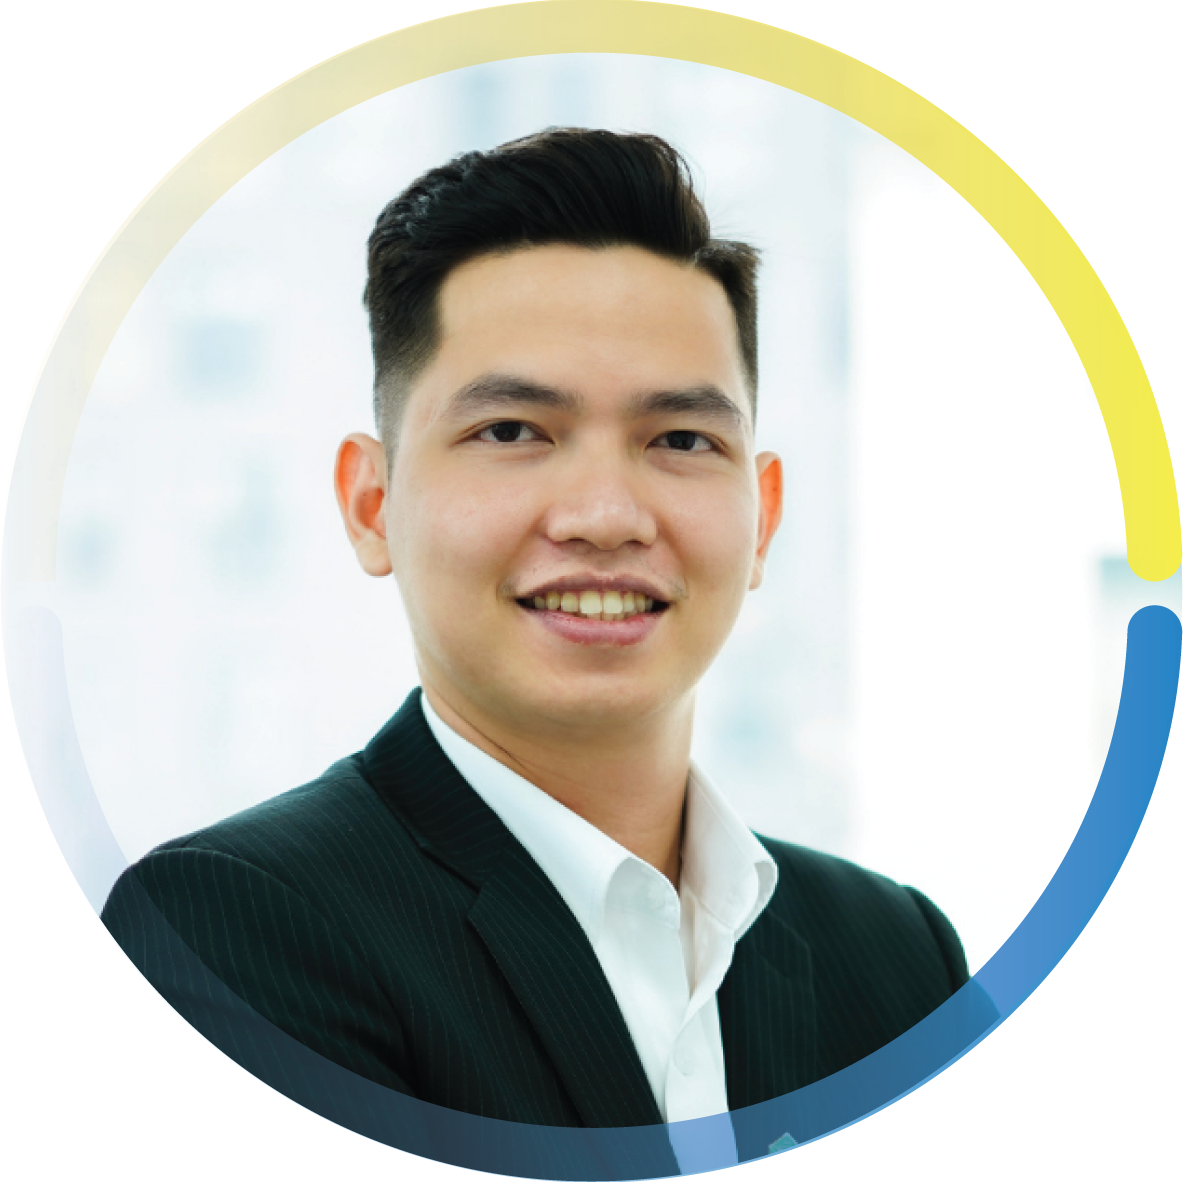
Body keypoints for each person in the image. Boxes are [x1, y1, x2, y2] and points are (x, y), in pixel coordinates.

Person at [101, 128, 970, 1164]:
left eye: (681, 440)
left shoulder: (895, 951)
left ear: (763, 520)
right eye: (512, 431)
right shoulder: (229, 926)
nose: (605, 516)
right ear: (372, 505)